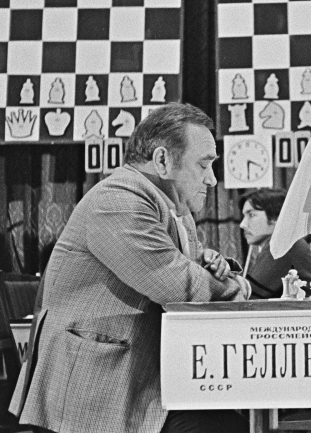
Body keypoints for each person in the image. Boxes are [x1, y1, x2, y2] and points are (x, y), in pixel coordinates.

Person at [9, 103, 251, 433]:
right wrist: (238, 286)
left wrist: (210, 267)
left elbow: (190, 271)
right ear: (162, 160)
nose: (212, 179)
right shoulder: (119, 200)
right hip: (92, 393)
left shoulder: (171, 208)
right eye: (204, 164)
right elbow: (178, 286)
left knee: (228, 421)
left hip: (134, 379)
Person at [240, 188, 311, 299]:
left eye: (251, 215)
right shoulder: (286, 242)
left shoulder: (283, 245)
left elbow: (245, 296)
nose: (243, 224)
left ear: (276, 217)